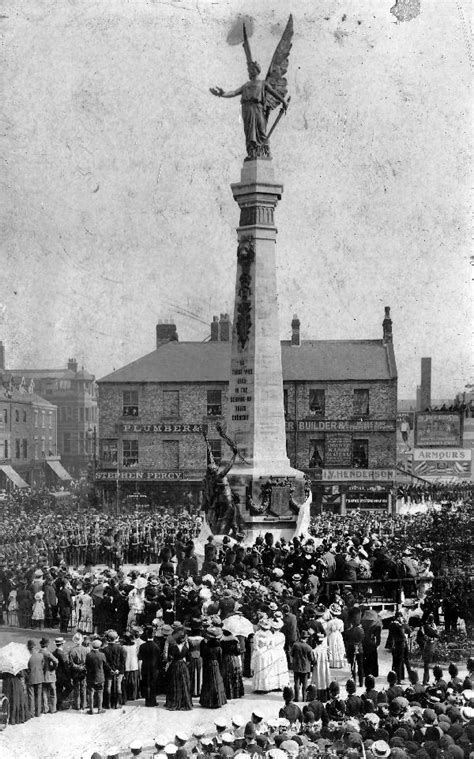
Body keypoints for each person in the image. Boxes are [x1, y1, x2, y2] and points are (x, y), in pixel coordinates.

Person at [166, 624, 193, 711]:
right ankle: (183, 702)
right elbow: (189, 660)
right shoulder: (186, 649)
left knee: (174, 683)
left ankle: (174, 701)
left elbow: (169, 658)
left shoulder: (173, 648)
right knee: (184, 684)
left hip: (174, 665)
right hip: (183, 665)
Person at [199, 627, 227, 709]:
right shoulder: (219, 648)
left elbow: (203, 656)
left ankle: (207, 701)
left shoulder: (206, 647)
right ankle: (217, 700)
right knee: (217, 681)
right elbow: (220, 659)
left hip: (208, 665)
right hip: (216, 665)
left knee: (208, 682)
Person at [86, 638, 111, 714]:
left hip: (90, 676)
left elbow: (86, 665)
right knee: (100, 693)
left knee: (91, 693)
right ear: (99, 647)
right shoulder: (102, 655)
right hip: (100, 676)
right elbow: (106, 665)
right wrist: (111, 670)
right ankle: (100, 709)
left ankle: (91, 709)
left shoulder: (88, 655)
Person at [138, 626, 161, 707]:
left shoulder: (142, 646)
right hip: (154, 667)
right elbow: (159, 659)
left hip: (145, 666)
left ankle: (147, 701)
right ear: (153, 635)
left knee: (146, 684)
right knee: (153, 684)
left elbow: (140, 658)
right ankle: (153, 701)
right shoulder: (156, 646)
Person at [290, 629, 314, 702]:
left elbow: (291, 654)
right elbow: (311, 659)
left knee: (296, 683)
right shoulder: (309, 647)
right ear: (306, 638)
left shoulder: (295, 645)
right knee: (305, 684)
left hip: (296, 667)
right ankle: (304, 698)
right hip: (305, 668)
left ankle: (296, 698)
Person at [220, 628, 244, 700]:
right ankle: (235, 693)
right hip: (234, 659)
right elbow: (237, 652)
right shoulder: (235, 641)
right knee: (235, 674)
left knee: (226, 675)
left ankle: (227, 693)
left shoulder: (222, 641)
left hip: (225, 659)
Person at [251, 617, 274, 693]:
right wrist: (267, 648)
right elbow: (272, 645)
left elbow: (255, 646)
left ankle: (258, 687)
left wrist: (258, 650)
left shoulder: (257, 634)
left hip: (260, 652)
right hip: (267, 652)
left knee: (259, 669)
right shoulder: (270, 634)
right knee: (266, 669)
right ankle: (266, 686)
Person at [69, 631, 88, 711]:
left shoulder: (72, 651)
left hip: (76, 672)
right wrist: (83, 667)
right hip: (84, 671)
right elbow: (88, 661)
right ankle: (83, 704)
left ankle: (77, 705)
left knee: (77, 688)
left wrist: (77, 667)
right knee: (83, 688)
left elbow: (71, 663)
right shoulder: (86, 650)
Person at [40, 637, 58, 715]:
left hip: (42, 675)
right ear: (47, 644)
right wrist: (53, 668)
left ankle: (45, 709)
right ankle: (53, 709)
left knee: (44, 693)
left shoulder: (39, 652)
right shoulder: (47, 653)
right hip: (50, 675)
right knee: (53, 692)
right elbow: (56, 661)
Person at [26, 639, 44, 717]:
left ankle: (31, 713)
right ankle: (38, 713)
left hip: (30, 678)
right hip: (39, 677)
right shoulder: (40, 655)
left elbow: (26, 669)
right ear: (34, 647)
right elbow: (42, 666)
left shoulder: (27, 658)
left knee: (31, 696)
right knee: (38, 695)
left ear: (29, 648)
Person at [326, 603, 345, 669]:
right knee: (339, 648)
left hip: (332, 635)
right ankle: (339, 663)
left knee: (332, 648)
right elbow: (342, 630)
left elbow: (327, 631)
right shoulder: (341, 621)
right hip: (338, 635)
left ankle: (333, 663)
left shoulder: (329, 622)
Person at [421, 613, 439, 686]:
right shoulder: (430, 626)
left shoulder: (426, 626)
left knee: (426, 664)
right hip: (431, 645)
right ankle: (426, 680)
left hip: (429, 645)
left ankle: (426, 680)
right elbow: (435, 633)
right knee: (427, 664)